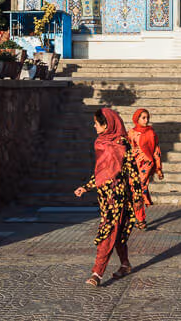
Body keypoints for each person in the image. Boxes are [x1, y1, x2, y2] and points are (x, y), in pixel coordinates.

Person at [74, 107, 146, 287]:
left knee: (108, 232)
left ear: (107, 124)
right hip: (104, 197)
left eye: (97, 123)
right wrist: (86, 187)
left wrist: (138, 203)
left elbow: (133, 174)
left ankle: (97, 272)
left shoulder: (122, 143)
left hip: (119, 198)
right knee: (119, 234)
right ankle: (125, 264)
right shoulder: (101, 142)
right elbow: (101, 172)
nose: (94, 126)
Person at [128, 108, 164, 207]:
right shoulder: (131, 133)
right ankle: (140, 215)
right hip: (134, 163)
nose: (146, 120)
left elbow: (156, 151)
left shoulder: (151, 133)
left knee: (141, 184)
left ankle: (142, 203)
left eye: (147, 118)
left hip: (147, 162)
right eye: (143, 118)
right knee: (135, 185)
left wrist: (159, 168)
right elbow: (128, 148)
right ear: (137, 119)